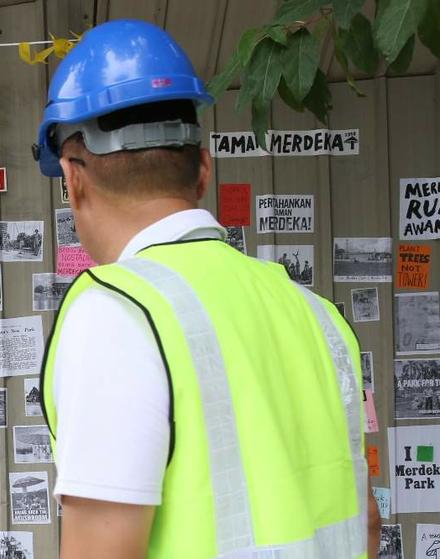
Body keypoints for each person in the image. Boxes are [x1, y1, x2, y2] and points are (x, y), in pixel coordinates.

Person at [33, 19, 379, 559]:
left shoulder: (117, 314)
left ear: (74, 181)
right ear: (203, 171)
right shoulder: (316, 316)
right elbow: (367, 525)